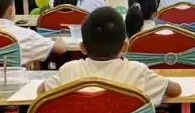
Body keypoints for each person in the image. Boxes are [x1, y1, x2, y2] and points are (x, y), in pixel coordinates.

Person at [39, 7, 182, 106]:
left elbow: (41, 90)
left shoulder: (68, 70)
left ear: (82, 48)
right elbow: (175, 90)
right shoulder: (138, 71)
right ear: (125, 47)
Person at [0, 0, 66, 64]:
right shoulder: (27, 35)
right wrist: (57, 37)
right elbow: (60, 49)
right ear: (10, 10)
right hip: (15, 77)